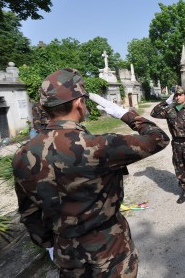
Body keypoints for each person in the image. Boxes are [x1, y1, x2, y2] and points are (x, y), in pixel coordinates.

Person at [12, 68, 170, 277]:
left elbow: (29, 212)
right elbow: (158, 138)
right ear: (79, 103)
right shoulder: (97, 145)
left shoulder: (21, 155)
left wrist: (49, 244)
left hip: (66, 251)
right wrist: (125, 114)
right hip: (109, 247)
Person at [150, 86, 185, 204]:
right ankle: (184, 190)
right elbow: (153, 113)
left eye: (180, 95)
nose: (178, 97)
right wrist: (165, 102)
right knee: (179, 168)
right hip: (176, 144)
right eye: (176, 95)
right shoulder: (169, 110)